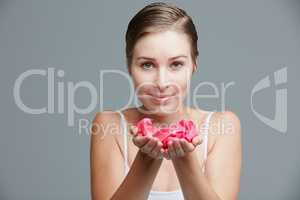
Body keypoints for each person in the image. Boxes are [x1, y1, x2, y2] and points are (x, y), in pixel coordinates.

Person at [90, 2, 242, 200]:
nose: (161, 82)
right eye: (147, 65)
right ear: (129, 66)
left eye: (176, 64)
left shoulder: (222, 126)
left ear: (194, 63)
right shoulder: (108, 125)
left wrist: (184, 160)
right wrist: (146, 160)